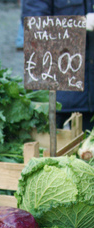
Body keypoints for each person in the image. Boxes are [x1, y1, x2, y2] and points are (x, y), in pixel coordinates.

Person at [22, 0, 94, 131]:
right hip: (54, 88)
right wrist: (79, 24)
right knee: (48, 147)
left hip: (90, 95)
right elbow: (34, 24)